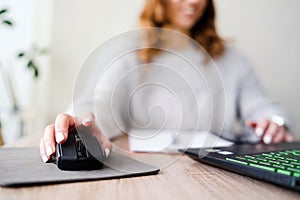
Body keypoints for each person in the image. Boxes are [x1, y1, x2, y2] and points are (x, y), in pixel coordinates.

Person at [39, 0, 293, 163]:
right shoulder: (127, 51)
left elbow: (263, 107)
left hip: (217, 174)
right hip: (146, 171)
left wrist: (274, 122)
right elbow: (98, 101)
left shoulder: (232, 59)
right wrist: (78, 122)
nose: (194, 2)